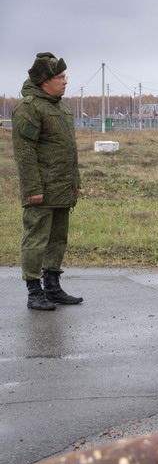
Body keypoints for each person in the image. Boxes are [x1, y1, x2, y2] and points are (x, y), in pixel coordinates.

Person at [12, 52, 83, 311]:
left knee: (57, 238)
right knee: (36, 238)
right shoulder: (30, 107)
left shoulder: (60, 106)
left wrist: (76, 181)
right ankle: (34, 291)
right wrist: (32, 188)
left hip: (62, 187)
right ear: (45, 81)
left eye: (65, 77)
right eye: (60, 77)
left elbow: (69, 150)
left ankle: (52, 287)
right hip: (41, 190)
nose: (65, 81)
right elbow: (24, 151)